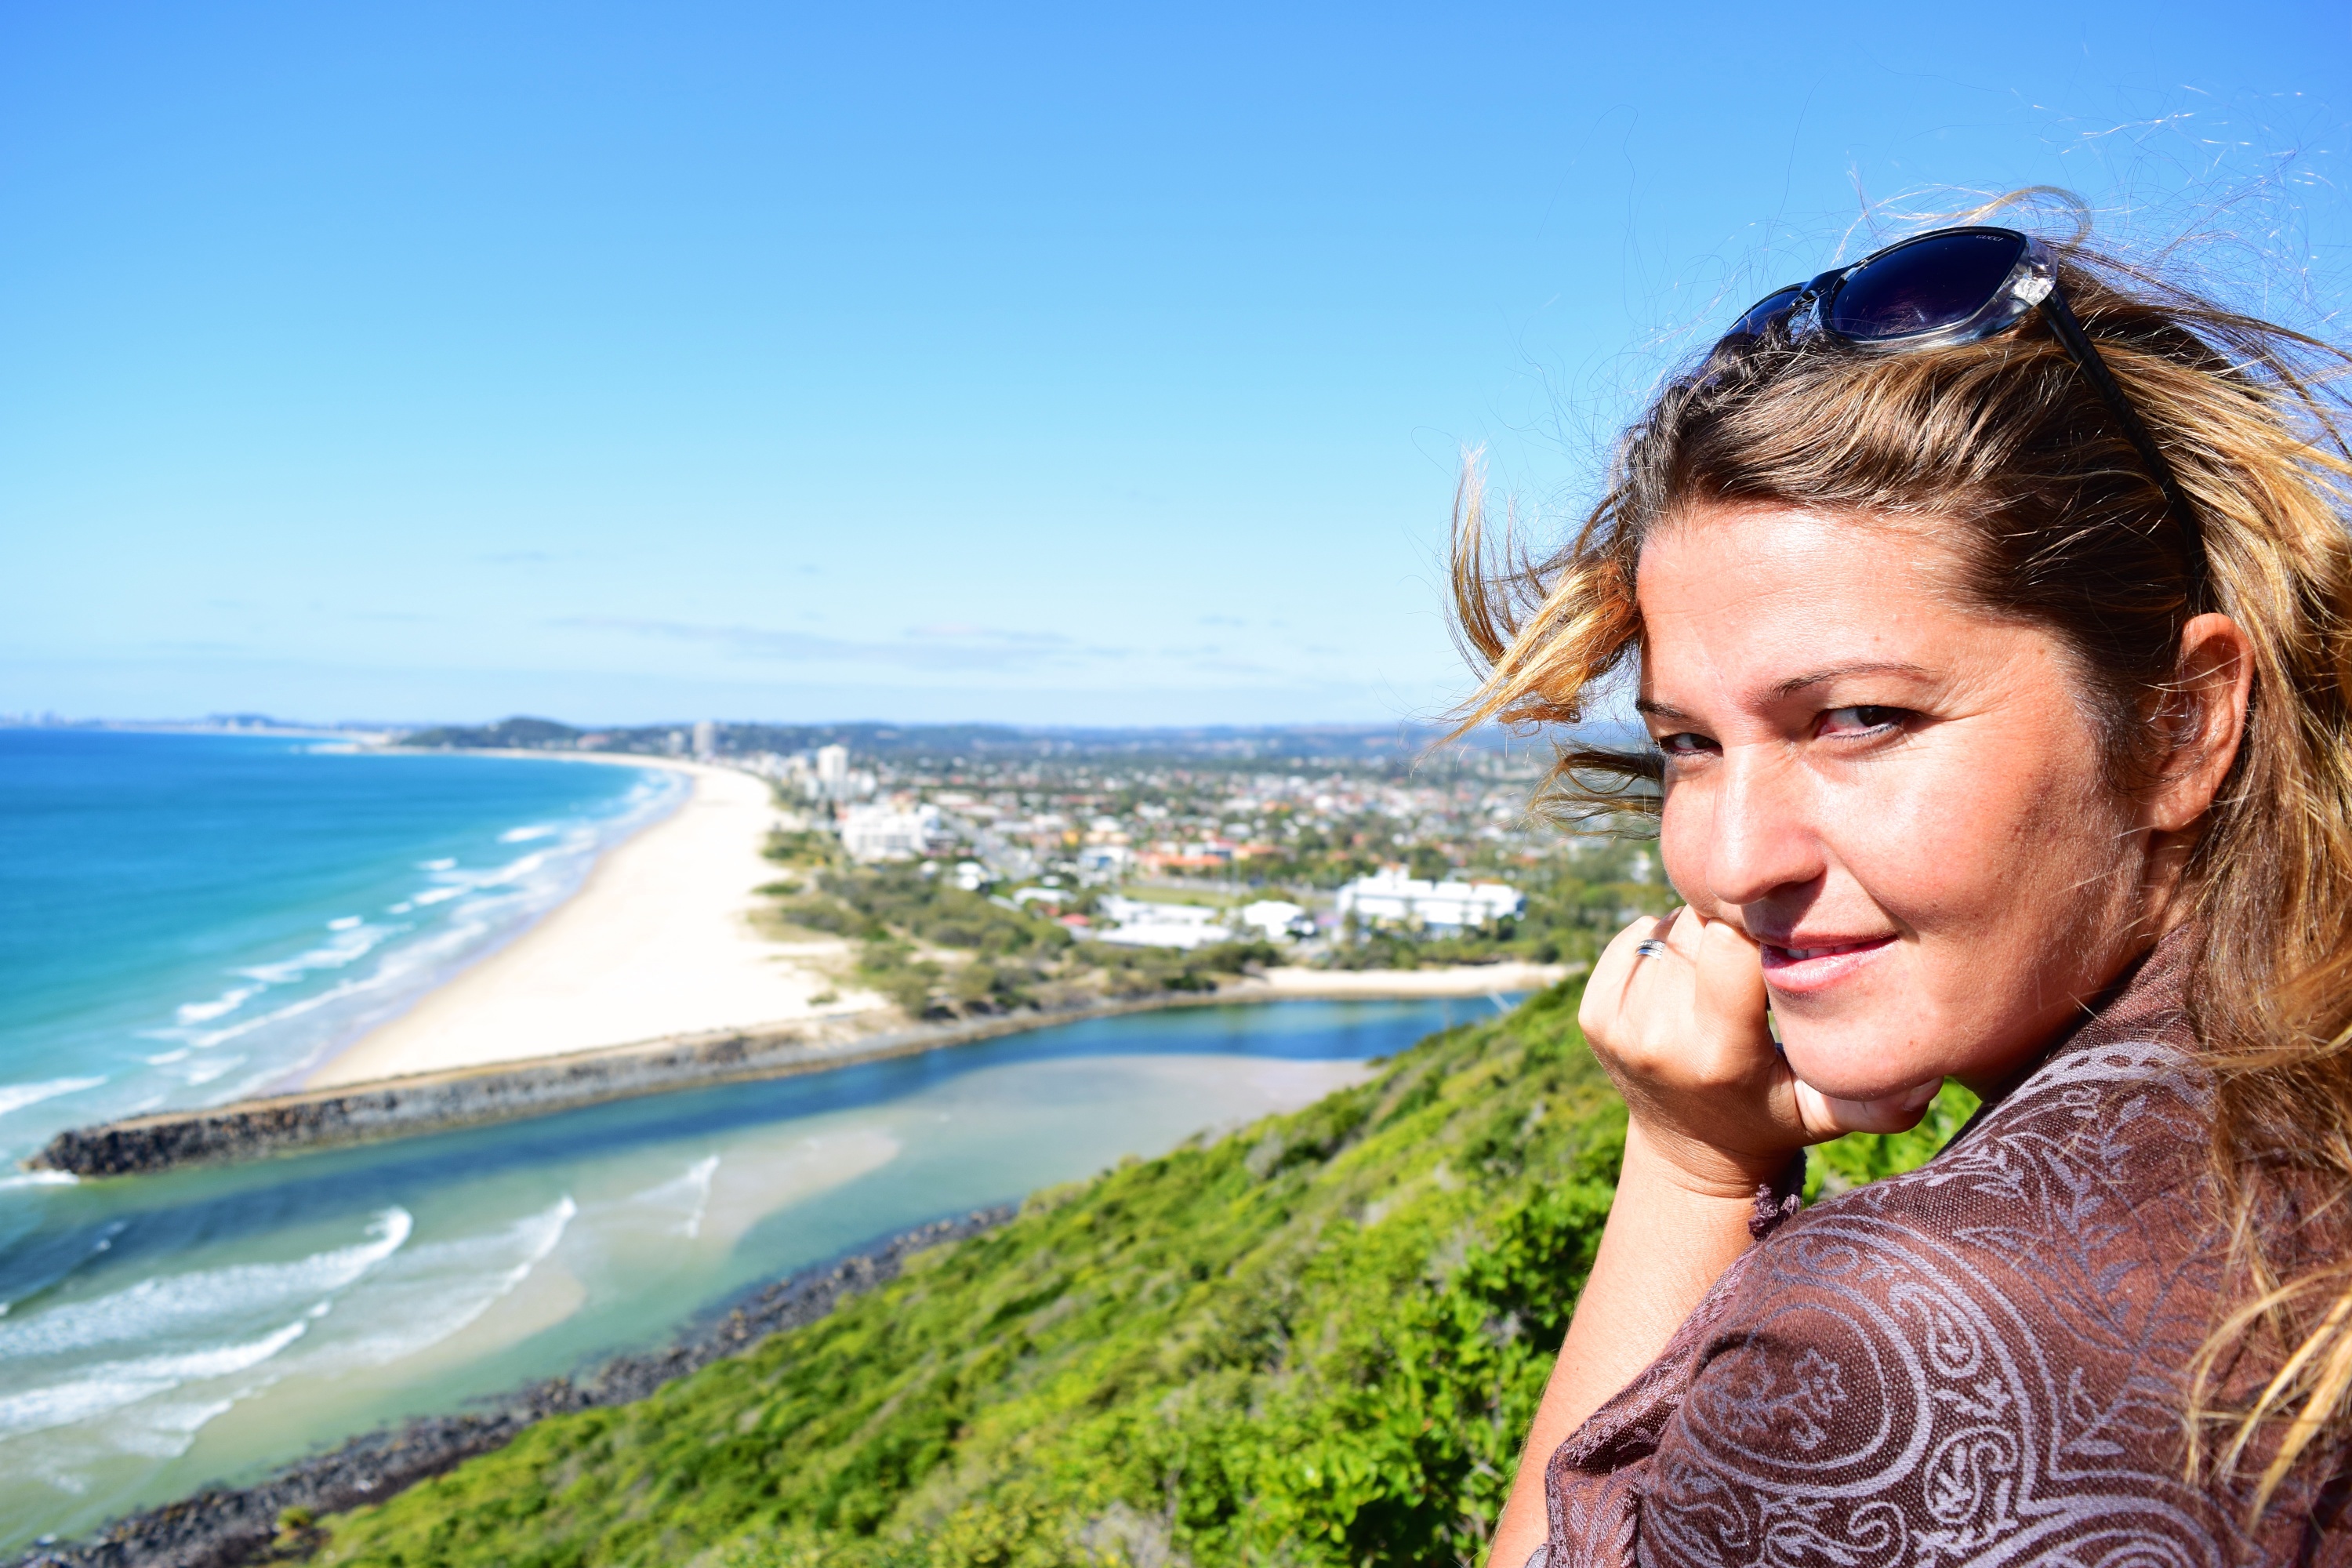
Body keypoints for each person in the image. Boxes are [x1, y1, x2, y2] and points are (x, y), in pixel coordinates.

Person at [1454, 201, 2352, 1565]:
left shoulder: (1902, 1343)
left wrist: (1691, 1172)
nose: (1731, 863)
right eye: (1687, 743)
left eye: (1860, 719)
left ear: (2181, 724)